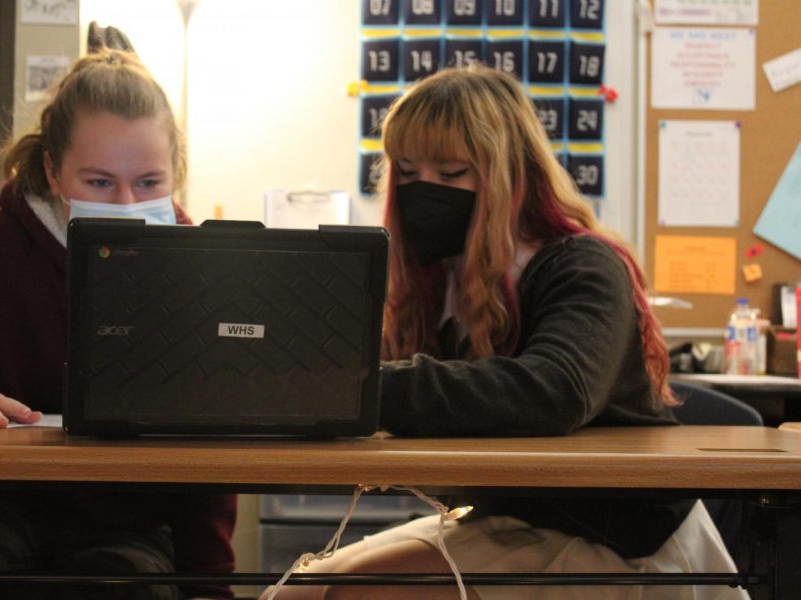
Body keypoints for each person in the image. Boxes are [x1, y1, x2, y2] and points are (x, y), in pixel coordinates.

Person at [262, 65, 746, 600]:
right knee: (295, 592)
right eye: (406, 171)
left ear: (510, 174)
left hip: (624, 545)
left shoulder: (582, 266)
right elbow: (380, 370)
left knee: (348, 596)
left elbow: (553, 390)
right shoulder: (441, 284)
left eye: (451, 173)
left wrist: (358, 388)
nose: (425, 191)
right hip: (514, 521)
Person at [0, 49, 237, 600]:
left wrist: (210, 586)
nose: (127, 204)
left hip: (131, 518)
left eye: (150, 182)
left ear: (177, 172)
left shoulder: (197, 267)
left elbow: (212, 438)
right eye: (101, 183)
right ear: (54, 172)